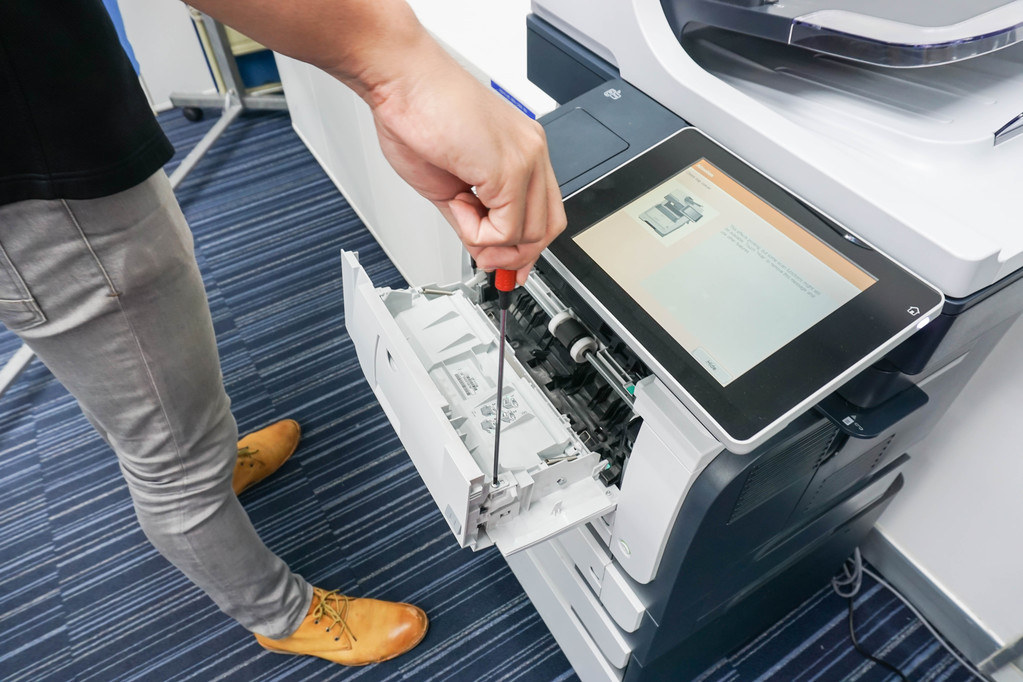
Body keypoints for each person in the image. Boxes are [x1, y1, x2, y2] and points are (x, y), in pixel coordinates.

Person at [0, 0, 565, 668]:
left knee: (153, 378)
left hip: (73, 124)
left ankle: (210, 461)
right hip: (30, 181)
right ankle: (278, 614)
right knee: (166, 459)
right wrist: (396, 66)